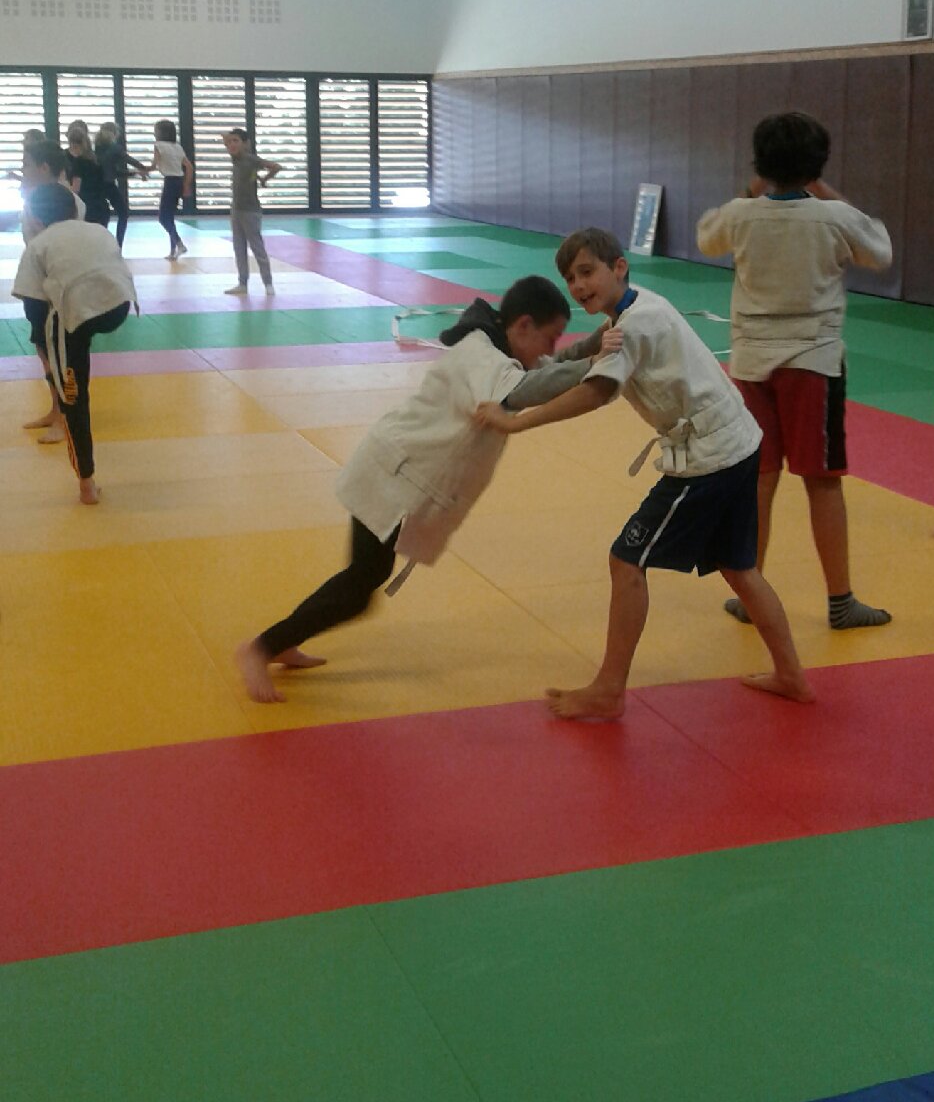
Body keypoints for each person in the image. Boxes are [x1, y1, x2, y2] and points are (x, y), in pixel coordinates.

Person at [475, 229, 810, 718]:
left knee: (626, 559)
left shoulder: (633, 326)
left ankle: (609, 690)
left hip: (708, 459)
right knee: (739, 568)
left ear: (619, 267)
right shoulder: (633, 310)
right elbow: (579, 358)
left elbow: (594, 392)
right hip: (739, 443)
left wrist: (515, 422)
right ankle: (791, 675)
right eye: (570, 278)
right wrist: (524, 379)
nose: (578, 286)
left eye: (587, 272)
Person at [235, 277, 615, 703]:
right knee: (362, 582)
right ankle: (260, 648)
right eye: (549, 337)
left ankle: (280, 642)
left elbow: (550, 368)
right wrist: (595, 363)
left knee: (365, 577)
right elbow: (531, 389)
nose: (550, 349)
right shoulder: (482, 356)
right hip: (389, 473)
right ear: (523, 325)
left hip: (399, 473)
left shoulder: (500, 353)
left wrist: (596, 343)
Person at [696, 111, 893, 629]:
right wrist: (822, 189)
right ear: (818, 165)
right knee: (822, 482)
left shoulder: (740, 213)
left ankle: (752, 593)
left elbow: (706, 238)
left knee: (758, 479)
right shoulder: (835, 216)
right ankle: (841, 601)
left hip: (752, 364)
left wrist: (753, 186)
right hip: (812, 364)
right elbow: (880, 251)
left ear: (759, 164)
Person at [12, 183, 138, 505]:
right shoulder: (98, 230)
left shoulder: (38, 244)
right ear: (76, 209)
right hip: (118, 305)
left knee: (74, 397)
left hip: (76, 314)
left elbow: (33, 306)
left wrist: (52, 360)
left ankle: (86, 484)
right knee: (72, 320)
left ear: (35, 219)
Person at [17, 137, 88, 443]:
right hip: (37, 282)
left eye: (27, 164)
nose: (23, 170)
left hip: (56, 286)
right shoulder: (38, 196)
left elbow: (57, 243)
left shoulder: (63, 200)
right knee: (43, 347)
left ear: (44, 167)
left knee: (60, 353)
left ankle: (65, 417)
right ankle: (55, 408)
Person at [222, 129, 280, 298]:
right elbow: (227, 142)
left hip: (250, 211)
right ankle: (242, 283)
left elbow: (276, 166)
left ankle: (268, 283)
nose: (231, 145)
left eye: (236, 141)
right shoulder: (236, 159)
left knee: (257, 247)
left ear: (246, 144)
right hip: (236, 210)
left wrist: (265, 179)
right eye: (229, 142)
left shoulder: (250, 159)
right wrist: (227, 138)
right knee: (239, 247)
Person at [95, 121, 148, 250]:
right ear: (114, 134)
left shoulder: (96, 147)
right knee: (123, 214)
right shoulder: (114, 148)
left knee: (102, 216)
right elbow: (128, 160)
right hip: (109, 185)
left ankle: (100, 245)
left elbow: (112, 171)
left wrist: (134, 173)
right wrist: (143, 168)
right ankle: (118, 246)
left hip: (96, 187)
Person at [150, 119, 192, 261]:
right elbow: (189, 167)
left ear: (160, 133)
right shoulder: (177, 147)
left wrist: (142, 171)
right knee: (170, 217)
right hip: (179, 181)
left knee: (163, 218)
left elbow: (154, 165)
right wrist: (186, 185)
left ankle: (179, 244)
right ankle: (172, 251)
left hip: (170, 182)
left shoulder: (158, 145)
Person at [65, 121, 111, 227]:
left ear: (73, 144)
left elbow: (76, 189)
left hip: (86, 209)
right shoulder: (96, 160)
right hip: (101, 206)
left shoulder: (78, 162)